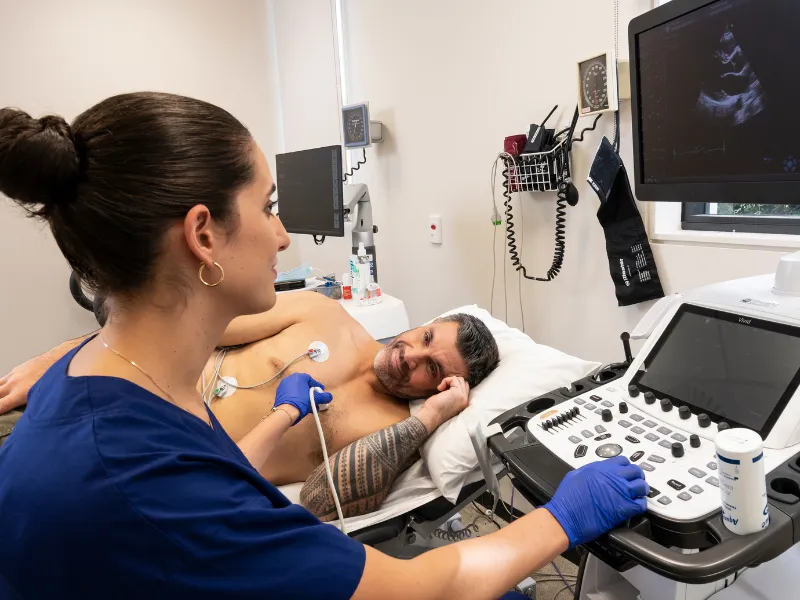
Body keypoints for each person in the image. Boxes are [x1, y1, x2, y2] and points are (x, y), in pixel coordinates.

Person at [0, 92, 648, 600]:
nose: (283, 237)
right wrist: (562, 518)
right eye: (269, 206)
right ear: (204, 235)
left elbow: (245, 481)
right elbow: (422, 588)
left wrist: (298, 414)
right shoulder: (152, 482)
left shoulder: (107, 383)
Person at [1, 289, 500, 520]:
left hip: (163, 470)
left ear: (442, 387)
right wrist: (50, 361)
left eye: (431, 367)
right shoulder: (323, 314)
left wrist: (432, 418)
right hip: (119, 390)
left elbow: (320, 501)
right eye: (426, 336)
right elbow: (171, 326)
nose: (409, 353)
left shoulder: (393, 433)